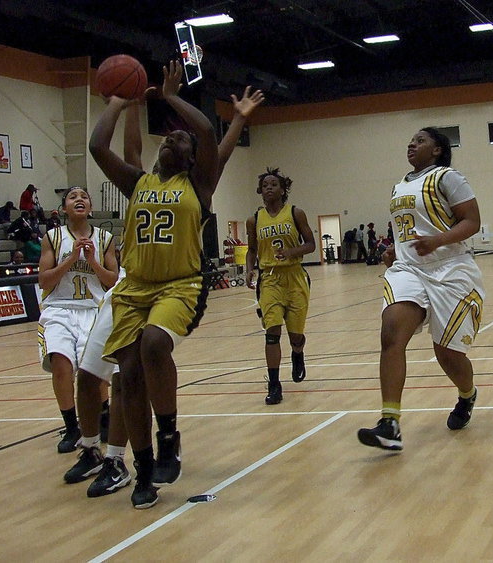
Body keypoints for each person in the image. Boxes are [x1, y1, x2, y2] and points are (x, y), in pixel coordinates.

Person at [67, 85, 264, 499]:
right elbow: (97, 145)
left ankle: (169, 436)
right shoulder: (137, 183)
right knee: (129, 375)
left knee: (154, 344)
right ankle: (141, 470)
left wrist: (170, 98)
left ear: (192, 157)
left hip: (181, 285)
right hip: (133, 290)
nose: (172, 139)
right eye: (168, 137)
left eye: (180, 139)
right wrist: (119, 105)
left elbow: (209, 134)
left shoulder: (200, 184)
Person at [357, 127, 484, 451]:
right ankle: (390, 423)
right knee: (391, 334)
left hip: (451, 268)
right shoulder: (399, 186)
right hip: (409, 269)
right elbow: (407, 232)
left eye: (421, 140)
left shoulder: (447, 178)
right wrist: (394, 251)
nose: (412, 144)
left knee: (447, 354)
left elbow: (471, 220)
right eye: (410, 139)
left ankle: (467, 395)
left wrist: (438, 240)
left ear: (438, 149)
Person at [38, 187, 118, 454]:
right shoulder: (52, 237)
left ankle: (103, 418)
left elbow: (112, 281)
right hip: (58, 309)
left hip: (93, 310)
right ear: (64, 209)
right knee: (61, 365)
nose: (79, 199)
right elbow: (44, 280)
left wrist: (92, 260)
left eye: (84, 196)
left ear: (91, 207)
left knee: (93, 373)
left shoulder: (105, 238)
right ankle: (71, 426)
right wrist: (72, 258)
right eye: (73, 197)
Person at [245, 168, 315, 405]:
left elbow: (311, 244)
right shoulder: (254, 219)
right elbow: (252, 249)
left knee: (296, 335)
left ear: (283, 189)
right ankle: (274, 385)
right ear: (260, 191)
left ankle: (298, 353)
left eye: (274, 184)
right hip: (270, 278)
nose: (269, 188)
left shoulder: (296, 213)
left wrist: (291, 252)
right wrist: (249, 268)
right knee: (272, 332)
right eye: (265, 185)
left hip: (294, 277)